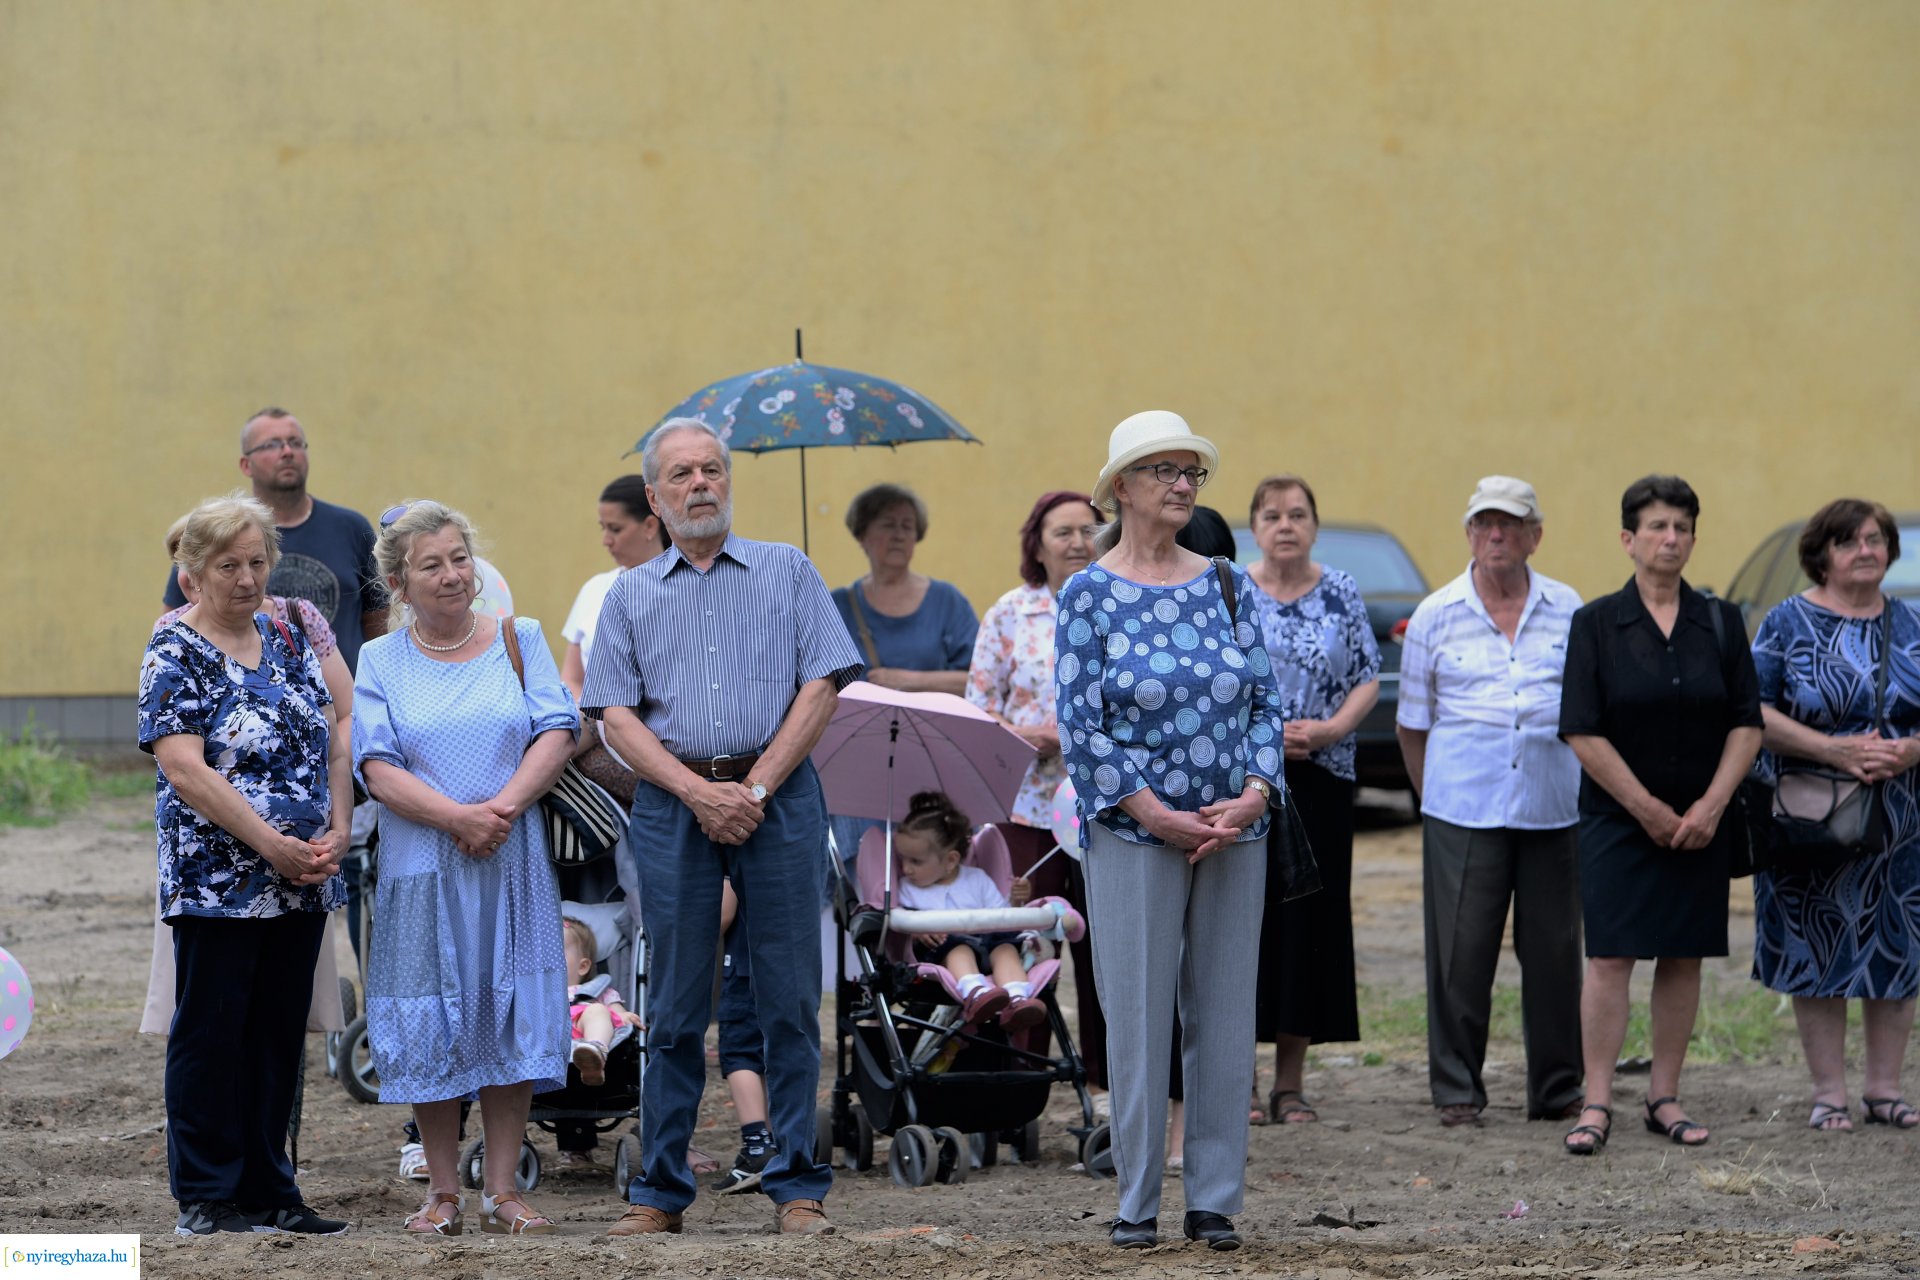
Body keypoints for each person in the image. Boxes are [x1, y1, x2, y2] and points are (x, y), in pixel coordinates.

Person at [580, 417, 862, 1237]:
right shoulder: (629, 593)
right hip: (674, 800)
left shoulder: (789, 570)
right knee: (671, 1005)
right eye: (682, 475)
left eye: (711, 470)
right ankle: (661, 1193)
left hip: (779, 797)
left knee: (787, 997)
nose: (701, 483)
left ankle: (797, 1187)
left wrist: (757, 786)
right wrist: (699, 795)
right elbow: (617, 720)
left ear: (726, 482)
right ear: (656, 498)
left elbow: (822, 687)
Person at [1056, 410, 1285, 1252]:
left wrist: (1257, 791)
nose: (1183, 485)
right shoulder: (1088, 592)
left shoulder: (1227, 582)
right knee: (1140, 1016)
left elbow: (1267, 703)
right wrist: (1150, 809)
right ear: (1122, 486)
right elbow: (1081, 727)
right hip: (1135, 833)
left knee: (1225, 1017)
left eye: (1192, 473)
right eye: (1164, 472)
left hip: (1234, 832)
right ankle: (1138, 1198)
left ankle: (1215, 1198)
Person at [351, 500, 578, 1237]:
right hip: (423, 867)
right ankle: (442, 1194)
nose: (451, 576)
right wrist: (457, 819)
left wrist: (500, 811)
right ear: (399, 583)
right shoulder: (381, 658)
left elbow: (557, 728)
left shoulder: (522, 638)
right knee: (432, 1021)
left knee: (506, 1016)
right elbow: (376, 766)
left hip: (510, 861)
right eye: (431, 565)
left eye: (459, 558)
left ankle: (504, 1191)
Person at [138, 494, 350, 1238]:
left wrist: (339, 828)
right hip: (217, 882)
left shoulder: (289, 636)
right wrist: (269, 843)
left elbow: (334, 733)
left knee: (276, 1034)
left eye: (258, 562)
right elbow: (185, 769)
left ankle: (273, 1191)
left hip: (303, 877)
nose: (248, 578)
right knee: (211, 1033)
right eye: (229, 565)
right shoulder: (174, 649)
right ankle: (209, 1194)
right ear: (193, 574)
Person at [1556, 476, 1763, 1154]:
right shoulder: (1595, 624)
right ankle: (1594, 1102)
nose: (1670, 538)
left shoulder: (1722, 621)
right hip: (1620, 820)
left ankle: (1664, 1097)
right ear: (1628, 539)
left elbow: (1746, 723)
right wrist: (1645, 807)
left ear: (1693, 538)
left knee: (1682, 957)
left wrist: (1710, 805)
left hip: (1701, 821)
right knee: (1611, 957)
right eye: (1656, 527)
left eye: (1681, 526)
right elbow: (1581, 730)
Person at [1395, 475, 1584, 1129]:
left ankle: (1558, 1088)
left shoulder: (1568, 608)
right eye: (1484, 523)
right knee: (1459, 952)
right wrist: (1435, 800)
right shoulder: (1435, 614)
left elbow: (1586, 712)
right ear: (1469, 533)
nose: (1496, 534)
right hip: (1461, 807)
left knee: (1557, 952)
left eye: (1510, 523)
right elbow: (1412, 724)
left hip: (1553, 804)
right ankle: (1456, 1089)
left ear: (1535, 535)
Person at [1750, 498, 1920, 1133]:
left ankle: (1884, 1090)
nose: (1867, 550)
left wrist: (1909, 750)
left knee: (1897, 949)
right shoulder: (1786, 623)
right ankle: (1829, 1093)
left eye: (1876, 539)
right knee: (1816, 948)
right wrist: (1834, 749)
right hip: (1810, 817)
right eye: (1850, 542)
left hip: (1900, 821)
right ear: (1822, 553)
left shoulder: (1912, 625)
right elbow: (1753, 714)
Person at [1243, 476, 1381, 1125]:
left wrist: (1329, 731)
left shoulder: (1341, 589)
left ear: (1315, 525)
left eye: (1298, 514)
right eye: (1272, 515)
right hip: (1249, 781)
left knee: (1309, 930)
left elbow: (1367, 679)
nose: (1286, 525)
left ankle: (1289, 1085)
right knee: (1242, 925)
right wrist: (1261, 737)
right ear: (1255, 527)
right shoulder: (1231, 588)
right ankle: (1235, 1082)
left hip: (1323, 777)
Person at [965, 490, 1108, 1092]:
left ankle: (1109, 1085)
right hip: (1025, 809)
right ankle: (1019, 1085)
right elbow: (978, 712)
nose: (1077, 543)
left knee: (1104, 951)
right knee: (1025, 945)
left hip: (1108, 807)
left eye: (1088, 530)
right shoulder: (1007, 615)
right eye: (1062, 532)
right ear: (1037, 545)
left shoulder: (1121, 605)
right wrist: (1028, 736)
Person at [161, 407, 386, 672]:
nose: (287, 451)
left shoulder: (351, 527)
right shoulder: (213, 535)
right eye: (272, 444)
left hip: (344, 700)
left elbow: (378, 623)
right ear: (246, 464)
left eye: (295, 443)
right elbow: (175, 621)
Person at [893, 790, 1048, 1030]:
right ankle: (976, 994)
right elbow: (902, 921)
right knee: (959, 948)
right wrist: (917, 933)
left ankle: (1017, 998)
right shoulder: (908, 888)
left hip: (989, 941)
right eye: (903, 859)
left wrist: (1018, 901)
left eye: (916, 861)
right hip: (944, 951)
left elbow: (1003, 916)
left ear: (951, 861)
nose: (906, 869)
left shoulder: (977, 880)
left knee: (1006, 947)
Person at [832, 483, 978, 694]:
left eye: (907, 526)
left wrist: (912, 680)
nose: (899, 535)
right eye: (888, 525)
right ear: (863, 536)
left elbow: (981, 680)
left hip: (930, 725)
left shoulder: (947, 601)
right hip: (854, 726)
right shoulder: (837, 606)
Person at [564, 918, 636, 1087]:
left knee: (597, 1011)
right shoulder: (533, 992)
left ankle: (595, 1052)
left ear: (582, 966)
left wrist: (624, 1015)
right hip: (545, 1038)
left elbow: (618, 1013)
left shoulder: (598, 991)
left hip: (580, 1030)